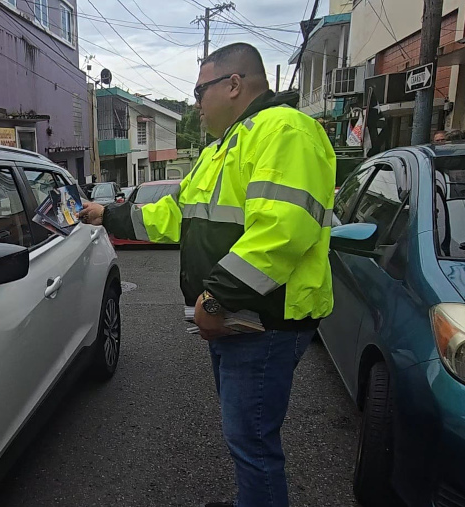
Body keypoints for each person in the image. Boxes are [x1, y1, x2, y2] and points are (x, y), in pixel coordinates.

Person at [78, 42, 336, 507]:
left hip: (263, 321)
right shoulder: (224, 147)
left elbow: (282, 231)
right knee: (245, 439)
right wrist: (107, 215)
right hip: (236, 321)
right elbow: (174, 215)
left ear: (234, 84)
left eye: (200, 90)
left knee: (254, 444)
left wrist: (215, 298)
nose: (195, 102)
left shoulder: (284, 131)